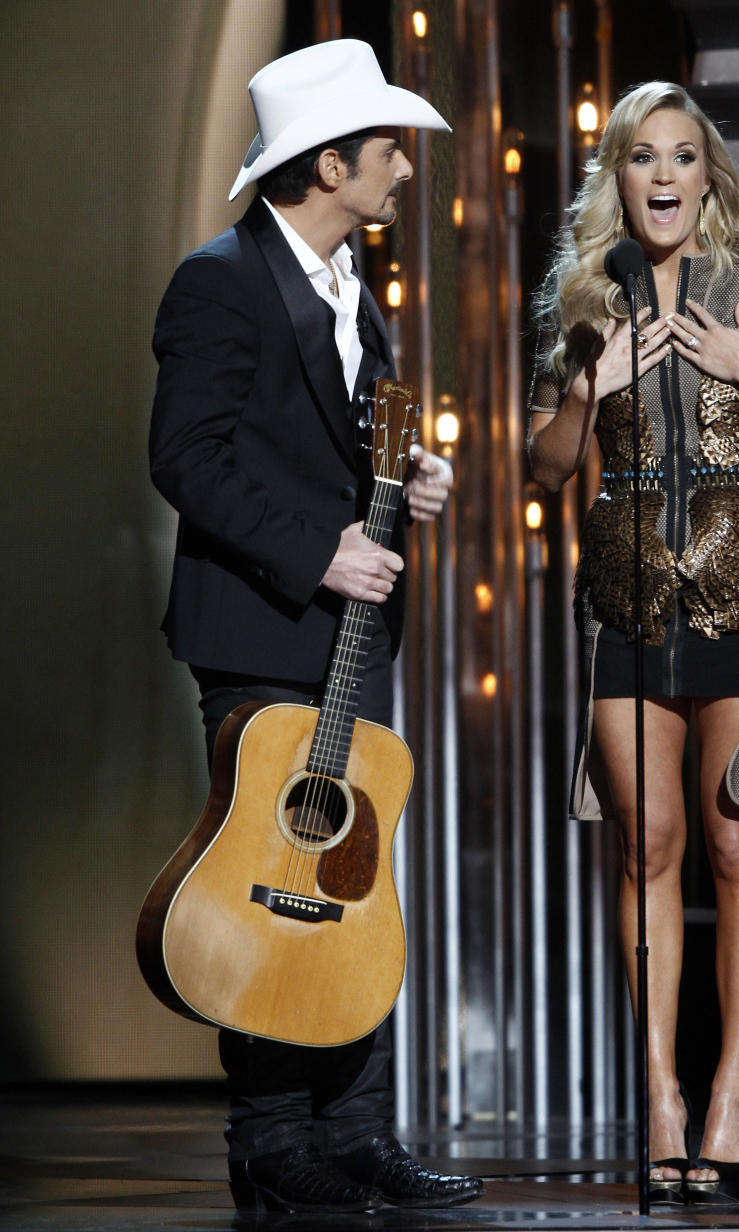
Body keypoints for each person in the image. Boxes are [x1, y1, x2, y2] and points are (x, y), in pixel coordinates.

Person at [149, 39, 483, 1216]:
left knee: (352, 875)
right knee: (267, 880)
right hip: (262, 624)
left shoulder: (353, 293)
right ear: (331, 161)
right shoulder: (222, 278)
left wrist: (409, 486)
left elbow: (341, 458)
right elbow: (184, 454)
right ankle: (272, 1135)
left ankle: (354, 1131)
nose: (405, 168)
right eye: (391, 149)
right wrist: (318, 547)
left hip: (348, 638)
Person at [528, 81, 739, 1205]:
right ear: (616, 176)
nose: (662, 178)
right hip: (623, 589)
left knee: (731, 848)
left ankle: (731, 1095)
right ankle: (658, 1091)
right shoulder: (579, 298)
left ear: (709, 173)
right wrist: (583, 391)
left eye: (681, 157)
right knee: (644, 846)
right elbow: (544, 470)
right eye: (640, 159)